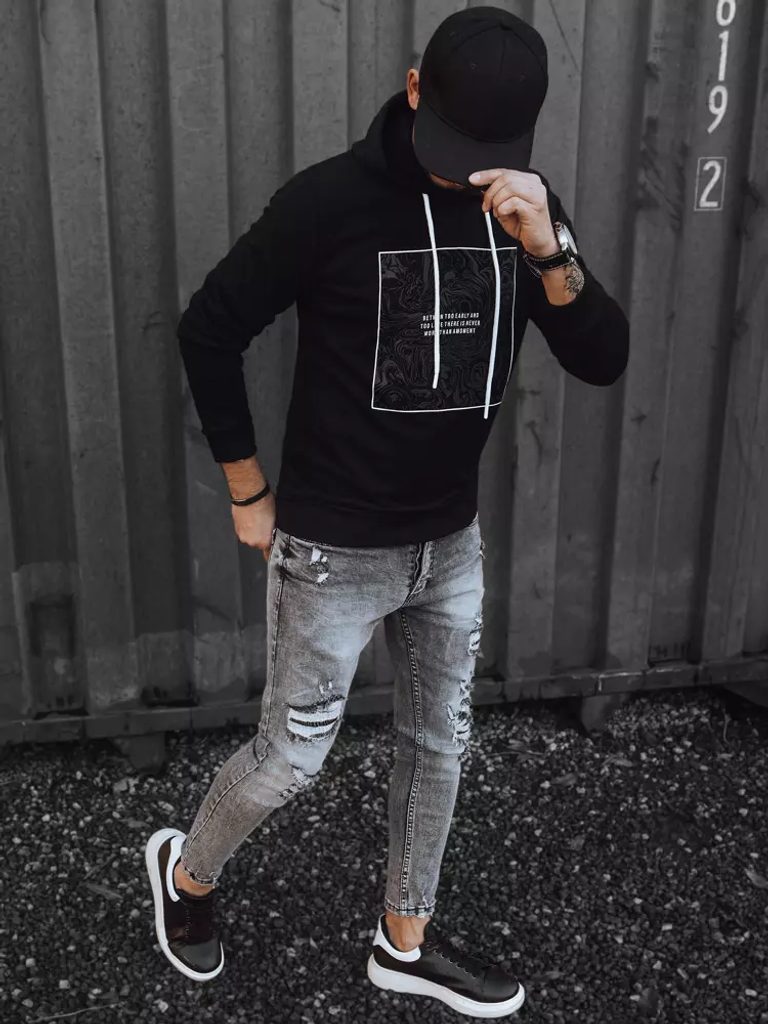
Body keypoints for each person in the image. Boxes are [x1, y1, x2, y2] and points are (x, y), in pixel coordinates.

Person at [145, 5, 629, 1016]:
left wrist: (550, 250)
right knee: (290, 758)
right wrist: (248, 488)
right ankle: (186, 874)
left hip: (449, 544)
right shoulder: (330, 203)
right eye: (449, 145)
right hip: (333, 549)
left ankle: (402, 943)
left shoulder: (523, 209)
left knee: (440, 746)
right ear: (413, 90)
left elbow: (601, 356)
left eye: (483, 153)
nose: (460, 175)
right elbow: (209, 329)